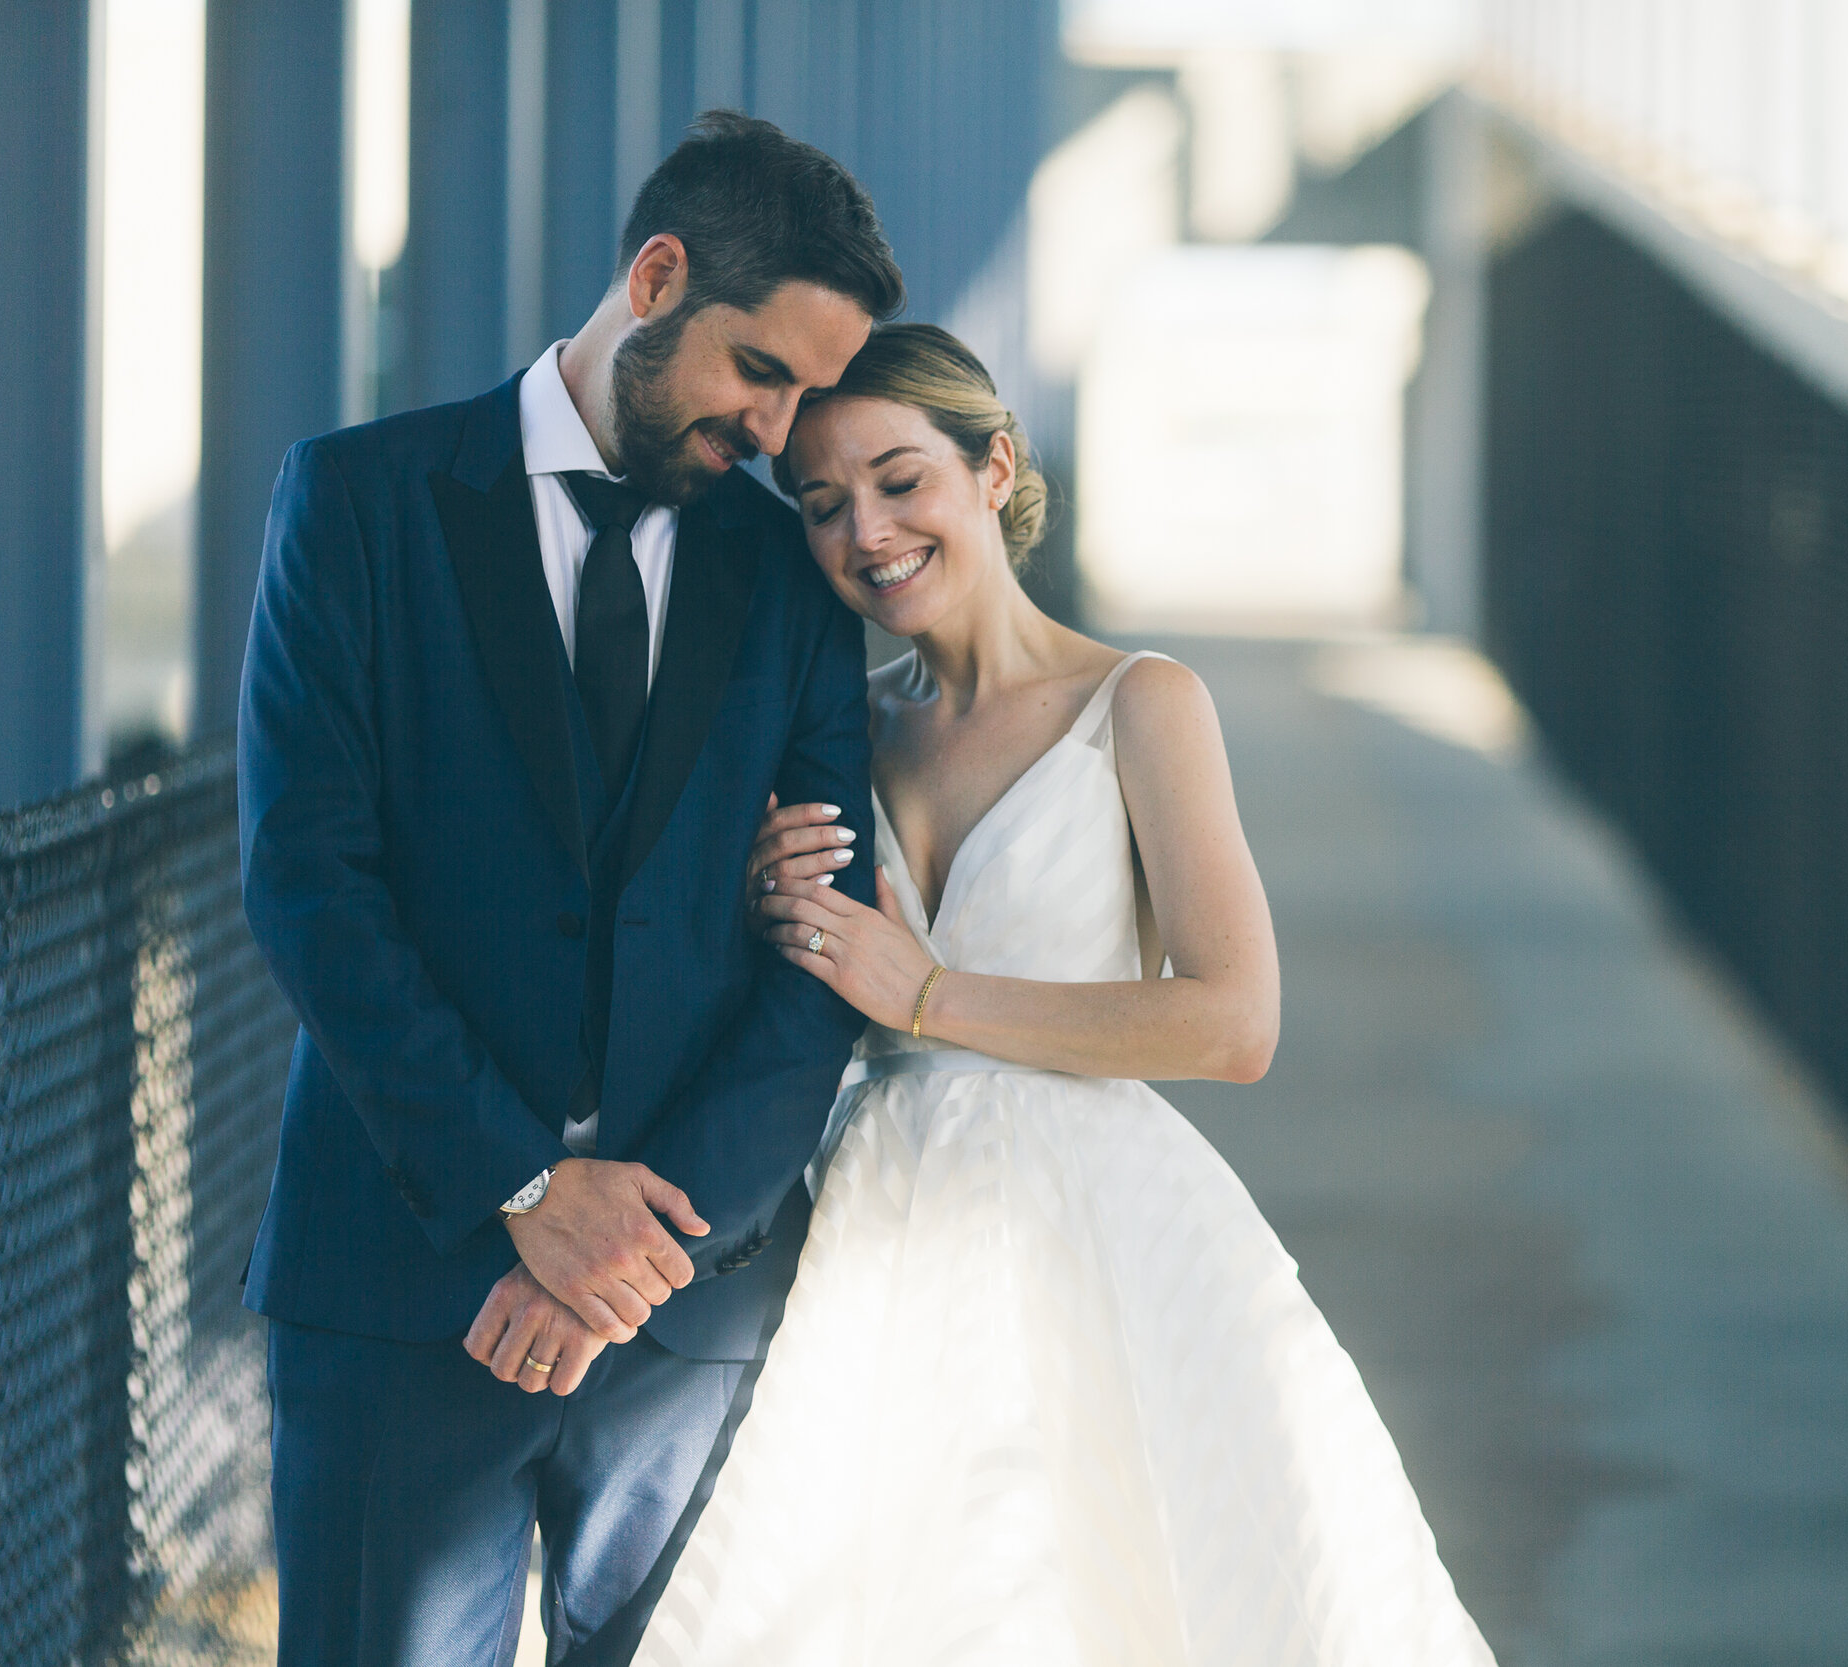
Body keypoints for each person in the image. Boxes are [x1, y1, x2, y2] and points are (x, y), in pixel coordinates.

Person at [618, 324, 1498, 1664]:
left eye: (901, 479)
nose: (869, 531)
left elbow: (1232, 1021)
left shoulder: (1141, 704)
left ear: (994, 467)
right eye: (824, 505)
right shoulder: (841, 728)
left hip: (1104, 1226)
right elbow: (780, 992)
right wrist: (752, 907)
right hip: (873, 1228)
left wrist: (930, 995)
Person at [236, 113, 902, 1664]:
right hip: (406, 1281)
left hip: (684, 1317)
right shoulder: (354, 503)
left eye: (806, 392)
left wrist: (632, 1252)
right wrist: (526, 1192)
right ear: (658, 275)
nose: (781, 425)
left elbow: (823, 946)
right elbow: (307, 881)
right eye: (763, 372)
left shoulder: (792, 579)